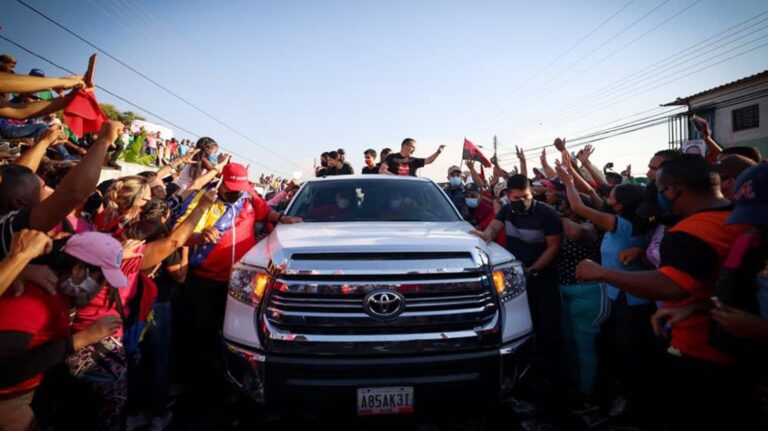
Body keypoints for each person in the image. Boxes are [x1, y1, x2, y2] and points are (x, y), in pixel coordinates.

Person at [575, 154, 752, 429]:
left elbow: (673, 286)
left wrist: (601, 272)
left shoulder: (691, 231)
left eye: (659, 190)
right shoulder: (739, 217)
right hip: (740, 345)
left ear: (673, 189)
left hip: (699, 349)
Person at [175, 163, 301, 402]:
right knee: (200, 334)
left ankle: (232, 384)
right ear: (222, 182)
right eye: (232, 188)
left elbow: (266, 213)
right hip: (205, 282)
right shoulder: (203, 200)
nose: (237, 193)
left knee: (237, 336)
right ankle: (197, 388)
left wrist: (285, 219)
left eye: (240, 187)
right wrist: (199, 237)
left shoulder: (249, 196)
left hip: (240, 283)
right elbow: (179, 235)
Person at [0, 232, 127, 431]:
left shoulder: (57, 293)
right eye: (100, 277)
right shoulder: (31, 299)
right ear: (78, 270)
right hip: (10, 401)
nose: (103, 285)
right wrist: (81, 339)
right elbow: (5, 370)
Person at [473, 174, 565, 390]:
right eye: (515, 198)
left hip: (541, 276)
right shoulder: (507, 209)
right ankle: (526, 375)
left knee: (548, 328)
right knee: (518, 325)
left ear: (531, 192)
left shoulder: (546, 213)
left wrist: (533, 270)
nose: (520, 201)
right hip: (515, 276)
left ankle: (554, 379)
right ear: (508, 196)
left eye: (525, 196)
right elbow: (493, 229)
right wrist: (484, 235)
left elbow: (553, 246)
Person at [0, 121, 121, 261]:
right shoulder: (13, 230)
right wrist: (104, 141)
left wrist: (44, 142)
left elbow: (18, 176)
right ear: (20, 202)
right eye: (43, 187)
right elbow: (74, 192)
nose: (51, 190)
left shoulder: (6, 200)